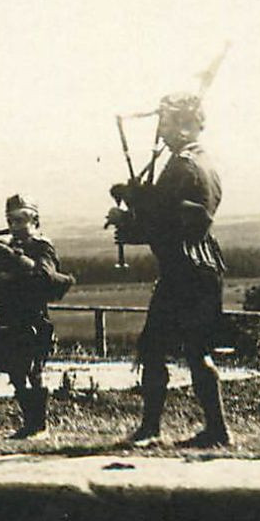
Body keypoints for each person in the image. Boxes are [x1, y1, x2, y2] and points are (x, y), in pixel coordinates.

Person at [105, 92, 231, 448]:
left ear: (187, 123)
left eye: (168, 121)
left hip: (185, 270)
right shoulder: (198, 161)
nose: (162, 129)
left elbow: (172, 221)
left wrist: (128, 220)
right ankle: (213, 430)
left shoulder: (183, 165)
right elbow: (166, 208)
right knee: (194, 351)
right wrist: (134, 199)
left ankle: (153, 430)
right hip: (200, 268)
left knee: (156, 349)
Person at [0, 194, 74, 440]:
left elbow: (45, 276)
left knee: (34, 370)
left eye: (22, 219)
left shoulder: (41, 246)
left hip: (33, 317)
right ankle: (29, 423)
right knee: (15, 372)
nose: (16, 225)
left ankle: (39, 426)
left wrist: (16, 260)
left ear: (34, 220)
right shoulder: (7, 246)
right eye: (11, 220)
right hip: (11, 316)